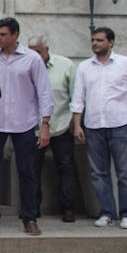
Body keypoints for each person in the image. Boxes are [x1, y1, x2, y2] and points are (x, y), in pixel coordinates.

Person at [0, 17, 52, 235]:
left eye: (3, 35)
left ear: (15, 35)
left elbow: (44, 91)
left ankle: (30, 217)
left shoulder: (32, 59)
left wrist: (45, 124)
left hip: (24, 122)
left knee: (26, 170)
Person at [71, 27, 127, 230]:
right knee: (99, 173)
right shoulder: (84, 67)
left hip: (120, 124)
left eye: (99, 40)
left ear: (111, 42)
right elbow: (78, 97)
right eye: (93, 40)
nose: (95, 44)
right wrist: (77, 124)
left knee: (125, 173)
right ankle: (107, 212)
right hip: (94, 125)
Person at [27, 35, 82, 223]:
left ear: (46, 49)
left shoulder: (65, 65)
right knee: (32, 168)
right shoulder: (26, 66)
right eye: (31, 51)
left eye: (38, 52)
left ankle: (68, 208)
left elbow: (76, 96)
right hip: (33, 127)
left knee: (66, 167)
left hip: (61, 124)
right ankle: (32, 208)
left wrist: (76, 123)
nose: (34, 55)